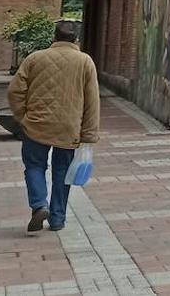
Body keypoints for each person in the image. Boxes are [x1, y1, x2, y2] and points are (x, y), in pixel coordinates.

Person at [6, 20, 100, 233]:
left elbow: (15, 92)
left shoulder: (34, 58)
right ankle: (57, 219)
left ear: (54, 37)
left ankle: (39, 204)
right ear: (77, 39)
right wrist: (89, 135)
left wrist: (23, 117)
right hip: (69, 127)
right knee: (62, 172)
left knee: (34, 166)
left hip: (35, 125)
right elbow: (92, 102)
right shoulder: (85, 61)